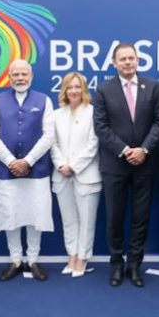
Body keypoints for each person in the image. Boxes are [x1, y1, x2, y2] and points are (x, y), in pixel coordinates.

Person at [93, 43, 159, 288]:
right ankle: (116, 264)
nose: (127, 62)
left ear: (138, 60)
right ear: (114, 63)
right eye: (122, 59)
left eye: (131, 58)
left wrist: (143, 150)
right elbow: (101, 127)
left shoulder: (153, 87)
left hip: (145, 164)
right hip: (115, 164)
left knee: (140, 217)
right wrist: (125, 151)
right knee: (114, 217)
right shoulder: (104, 89)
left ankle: (134, 265)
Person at [0, 59, 54, 282]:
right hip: (5, 171)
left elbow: (49, 135)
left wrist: (28, 161)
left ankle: (33, 260)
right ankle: (15, 260)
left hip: (36, 170)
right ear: (9, 77)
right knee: (10, 214)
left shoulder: (44, 100)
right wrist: (11, 161)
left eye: (24, 74)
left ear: (31, 77)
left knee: (36, 214)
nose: (20, 78)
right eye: (16, 74)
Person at [51, 72, 101, 278]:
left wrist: (73, 166)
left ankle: (83, 257)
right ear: (64, 90)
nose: (74, 91)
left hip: (86, 175)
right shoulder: (56, 115)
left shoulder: (93, 112)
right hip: (61, 175)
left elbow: (93, 144)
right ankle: (72, 255)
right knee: (69, 220)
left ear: (84, 90)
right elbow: (52, 143)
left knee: (86, 221)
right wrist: (61, 165)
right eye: (70, 87)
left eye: (77, 87)